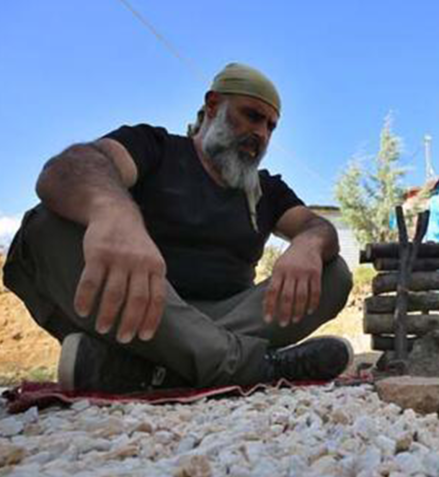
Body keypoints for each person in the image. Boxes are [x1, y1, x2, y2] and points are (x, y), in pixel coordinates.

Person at [2, 63, 354, 393]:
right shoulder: (156, 147)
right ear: (213, 105)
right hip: (141, 310)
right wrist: (114, 213)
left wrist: (308, 244)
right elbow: (69, 168)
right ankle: (253, 366)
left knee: (333, 272)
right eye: (252, 116)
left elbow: (315, 225)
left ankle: (151, 371)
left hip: (229, 317)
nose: (261, 133)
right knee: (46, 223)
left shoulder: (268, 190)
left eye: (271, 126)